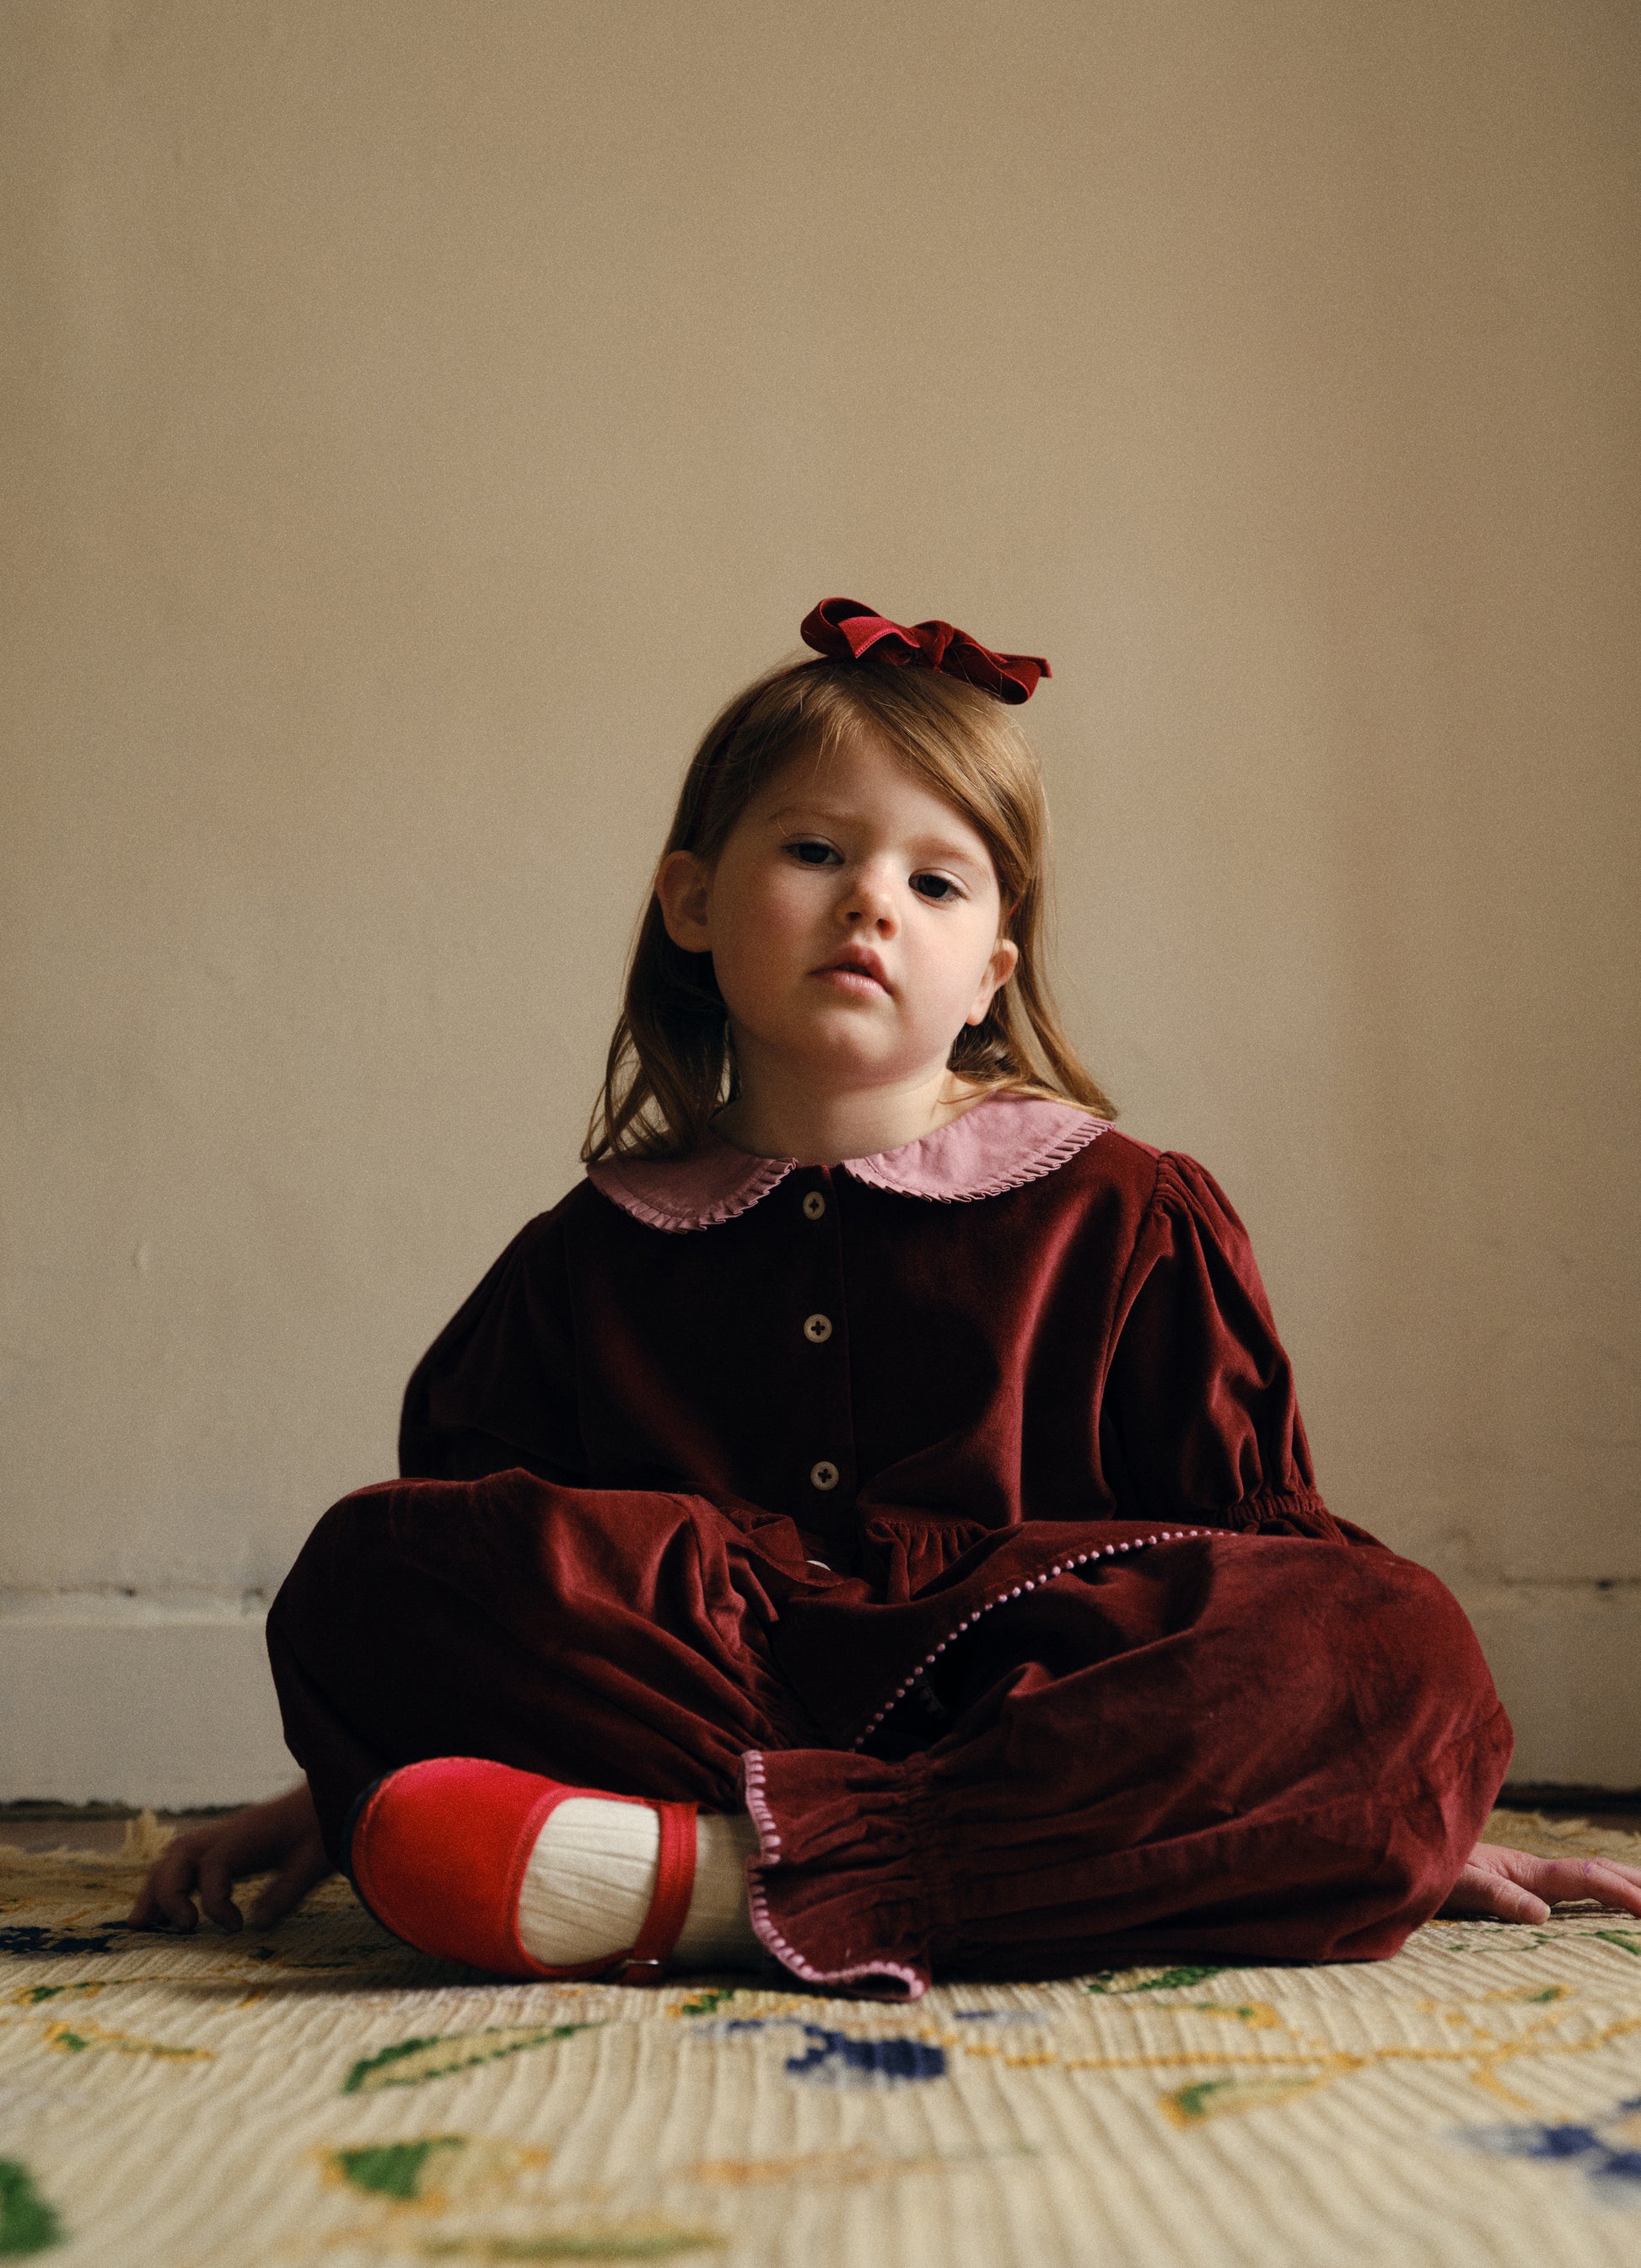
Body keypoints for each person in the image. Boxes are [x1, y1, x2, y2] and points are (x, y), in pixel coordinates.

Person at [131, 599, 1641, 1992]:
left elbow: (1253, 1552)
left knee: (1389, 1641)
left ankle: (712, 1888)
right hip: (702, 1708)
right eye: (813, 852)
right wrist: (352, 1779)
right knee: (369, 1569)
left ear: (988, 971)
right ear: (690, 901)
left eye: (932, 880)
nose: (870, 902)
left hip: (1044, 1709)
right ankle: (970, 1875)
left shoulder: (1124, 1214)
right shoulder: (583, 1258)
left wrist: (1387, 1792)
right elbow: (489, 1574)